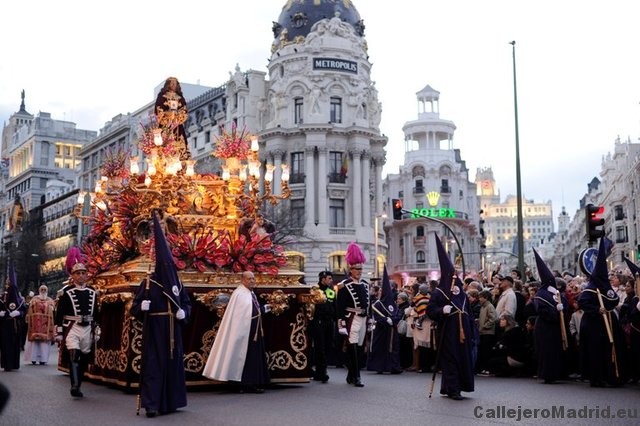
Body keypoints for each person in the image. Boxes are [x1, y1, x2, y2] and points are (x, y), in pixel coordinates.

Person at [130, 213, 190, 417]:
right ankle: (152, 404)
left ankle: (171, 402)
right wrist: (142, 307)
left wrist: (184, 312)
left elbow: (186, 303)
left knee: (172, 365)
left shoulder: (177, 283)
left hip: (173, 330)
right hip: (155, 330)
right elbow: (135, 308)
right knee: (154, 366)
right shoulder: (148, 283)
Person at [203, 271, 270, 393]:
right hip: (243, 332)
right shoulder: (239, 294)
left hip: (253, 331)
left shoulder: (250, 293)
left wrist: (262, 310)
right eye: (249, 279)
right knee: (240, 356)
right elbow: (240, 316)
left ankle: (251, 382)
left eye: (253, 279)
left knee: (252, 357)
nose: (252, 281)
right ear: (243, 280)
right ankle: (240, 384)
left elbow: (252, 311)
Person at [427, 234, 475, 400]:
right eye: (452, 275)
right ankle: (453, 389)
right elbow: (430, 311)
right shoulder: (439, 293)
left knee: (462, 359)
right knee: (451, 359)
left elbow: (468, 311)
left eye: (456, 275)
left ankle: (452, 387)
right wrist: (442, 311)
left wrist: (471, 331)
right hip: (448, 332)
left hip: (463, 333)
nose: (455, 278)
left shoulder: (462, 293)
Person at [578, 237, 627, 387]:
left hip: (609, 321)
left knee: (611, 348)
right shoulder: (591, 287)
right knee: (596, 351)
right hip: (594, 323)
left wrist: (609, 305)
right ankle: (597, 377)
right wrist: (597, 309)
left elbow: (614, 300)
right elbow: (583, 302)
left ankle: (611, 375)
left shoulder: (605, 286)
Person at [54, 262, 101, 398]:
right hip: (72, 326)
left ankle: (78, 384)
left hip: (88, 328)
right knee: (74, 355)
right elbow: (59, 314)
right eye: (77, 273)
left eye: (83, 273)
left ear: (86, 275)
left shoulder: (93, 291)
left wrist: (97, 328)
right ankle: (74, 386)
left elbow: (97, 313)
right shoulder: (66, 292)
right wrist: (59, 332)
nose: (81, 276)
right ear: (73, 276)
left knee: (84, 357)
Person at [532, 248, 568, 384]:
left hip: (555, 326)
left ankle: (557, 373)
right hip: (545, 326)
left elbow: (563, 304)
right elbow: (541, 310)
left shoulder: (556, 293)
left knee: (556, 350)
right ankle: (547, 374)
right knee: (547, 350)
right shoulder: (541, 294)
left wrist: (562, 307)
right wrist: (555, 312)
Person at [336, 242, 369, 387]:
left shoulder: (365, 285)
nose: (359, 271)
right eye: (357, 269)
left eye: (361, 268)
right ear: (351, 269)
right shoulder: (344, 286)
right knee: (352, 346)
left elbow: (369, 304)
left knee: (360, 347)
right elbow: (339, 307)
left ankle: (351, 374)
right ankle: (356, 376)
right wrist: (341, 323)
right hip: (351, 318)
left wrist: (371, 318)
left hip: (364, 318)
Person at [366, 266, 402, 374]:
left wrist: (393, 320)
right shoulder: (377, 304)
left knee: (393, 348)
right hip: (381, 330)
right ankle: (379, 367)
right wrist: (386, 320)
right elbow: (376, 317)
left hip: (392, 330)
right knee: (380, 348)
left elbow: (398, 314)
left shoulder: (393, 304)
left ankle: (393, 367)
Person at [309, 271, 336, 383]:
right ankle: (321, 372)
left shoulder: (331, 291)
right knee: (320, 347)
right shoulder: (314, 291)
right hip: (318, 322)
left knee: (327, 346)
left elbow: (335, 306)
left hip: (329, 322)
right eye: (329, 278)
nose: (331, 280)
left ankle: (321, 370)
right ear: (323, 279)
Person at [155, 76, 190, 160]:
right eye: (172, 83)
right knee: (164, 144)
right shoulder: (162, 96)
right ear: (168, 85)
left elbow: (184, 110)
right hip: (166, 125)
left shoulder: (180, 98)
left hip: (177, 125)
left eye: (175, 83)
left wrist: (178, 115)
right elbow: (158, 109)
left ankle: (181, 161)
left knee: (180, 144)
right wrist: (167, 114)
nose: (174, 85)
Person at [0, 265, 27, 371]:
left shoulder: (20, 300)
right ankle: (7, 365)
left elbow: (24, 311)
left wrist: (19, 313)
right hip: (5, 326)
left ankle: (15, 364)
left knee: (15, 345)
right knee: (6, 345)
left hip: (16, 326)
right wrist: (3, 314)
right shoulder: (2, 298)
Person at [25, 285, 55, 365]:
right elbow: (30, 306)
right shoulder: (34, 299)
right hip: (35, 324)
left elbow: (53, 308)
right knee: (34, 343)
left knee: (44, 343)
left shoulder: (50, 300)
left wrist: (50, 307)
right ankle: (33, 358)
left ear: (47, 290)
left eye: (45, 289)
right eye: (42, 289)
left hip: (46, 325)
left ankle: (43, 359)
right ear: (39, 290)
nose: (43, 291)